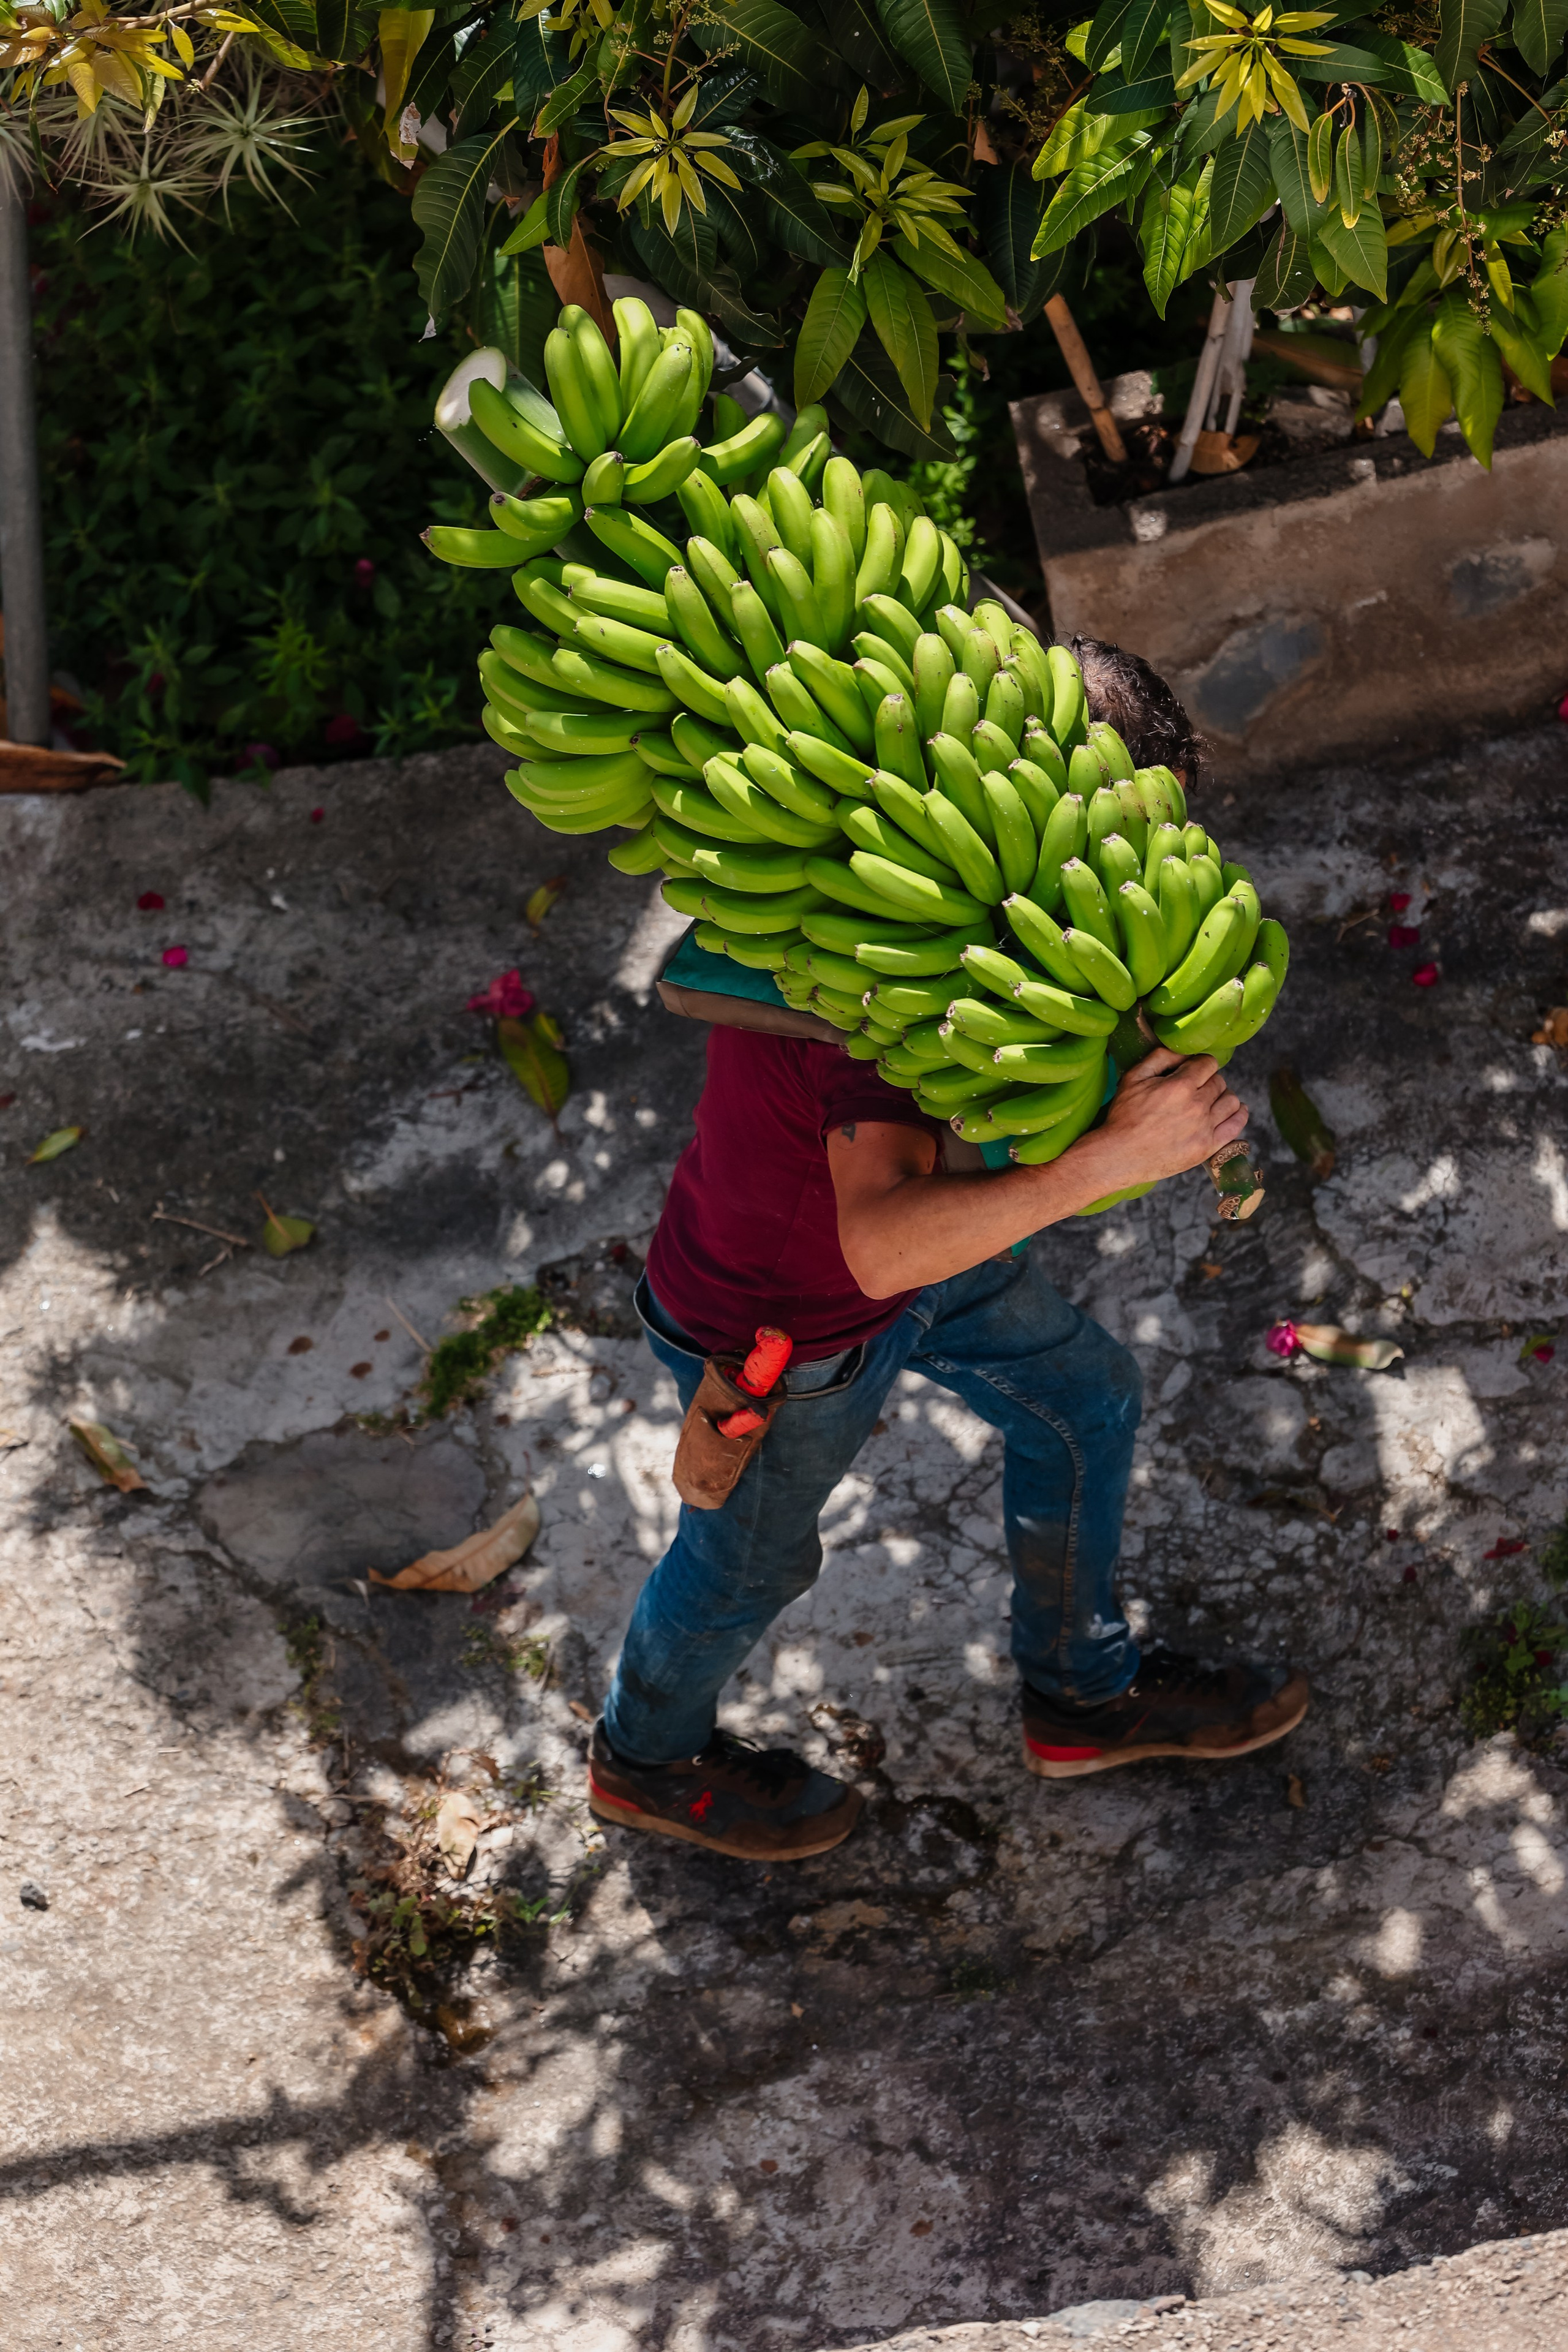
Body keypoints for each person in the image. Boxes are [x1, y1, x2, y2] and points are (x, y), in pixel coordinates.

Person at [587, 635, 1308, 1860]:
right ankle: (643, 1756)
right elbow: (874, 1244)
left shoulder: (992, 902)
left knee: (1082, 1400)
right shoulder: (874, 963)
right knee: (748, 1561)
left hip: (936, 1260)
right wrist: (1102, 1163)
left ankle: (1079, 1693)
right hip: (789, 1325)